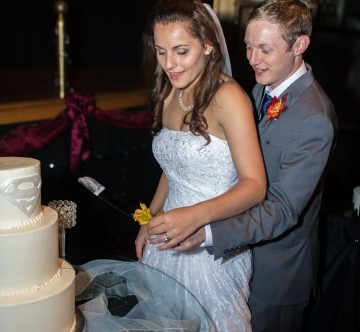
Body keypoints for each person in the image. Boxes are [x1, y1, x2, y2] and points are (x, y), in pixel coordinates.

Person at [146, 1, 338, 331]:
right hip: (222, 247)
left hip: (275, 273)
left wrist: (204, 230)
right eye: (248, 47)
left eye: (264, 49)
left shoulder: (315, 118)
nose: (252, 59)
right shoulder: (262, 87)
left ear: (300, 45)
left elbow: (281, 209)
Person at [135, 0, 266, 331]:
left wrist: (194, 217)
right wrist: (148, 220)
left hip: (209, 248)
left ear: (208, 45)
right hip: (166, 238)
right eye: (161, 51)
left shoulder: (229, 98)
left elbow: (255, 185)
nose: (169, 64)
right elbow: (174, 167)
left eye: (181, 51)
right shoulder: (170, 93)